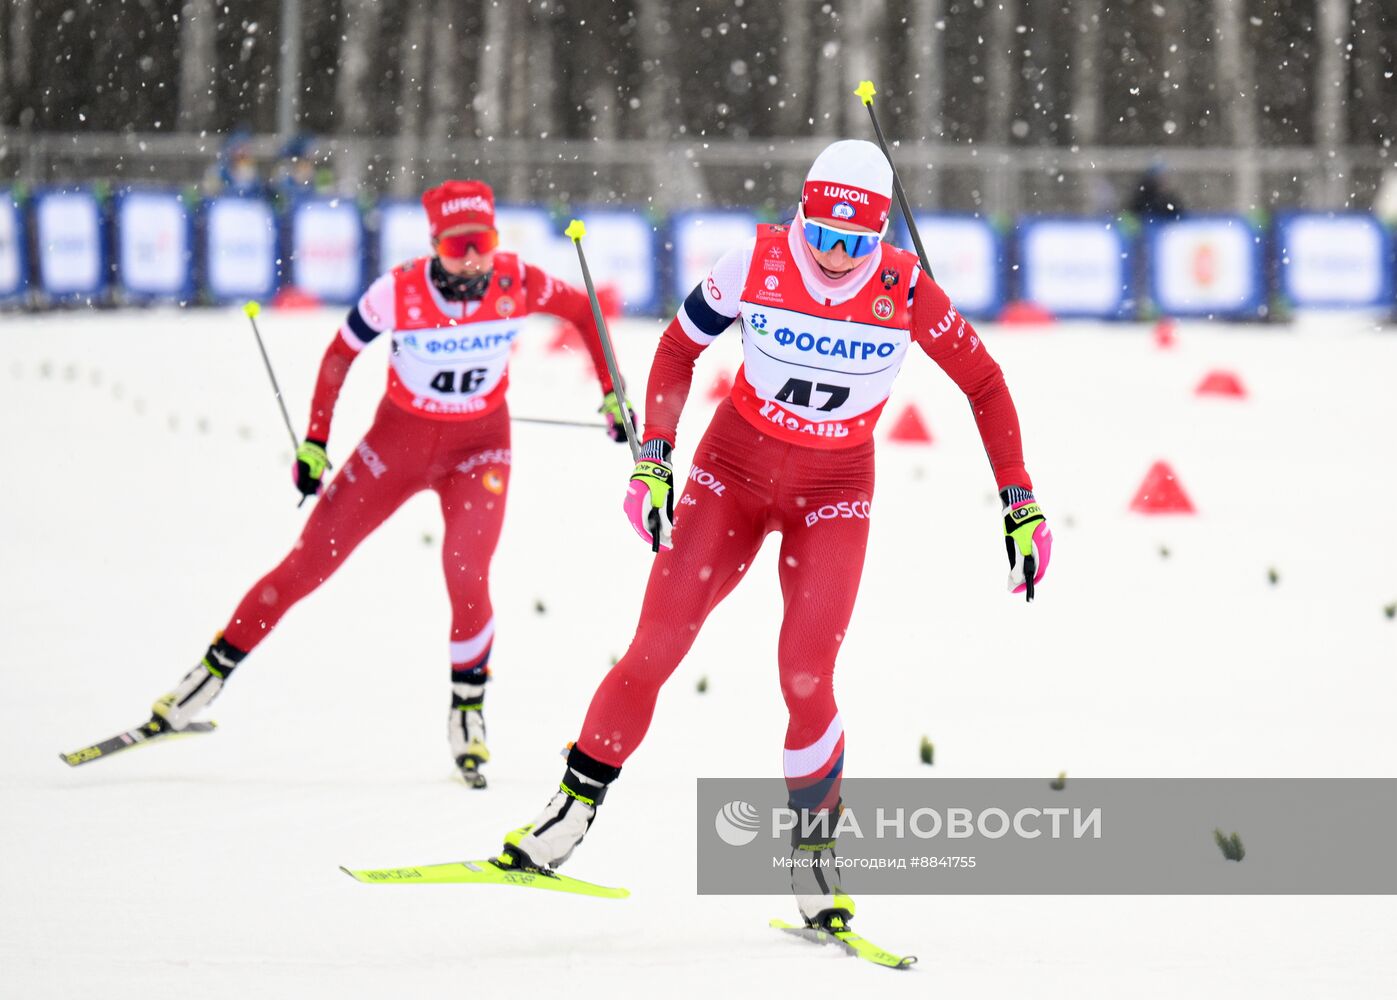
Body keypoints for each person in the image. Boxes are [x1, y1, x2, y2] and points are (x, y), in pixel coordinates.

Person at [493, 141, 1052, 928]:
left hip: (833, 491)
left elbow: (986, 385)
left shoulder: (903, 285)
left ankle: (814, 858)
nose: (832, 257)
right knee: (654, 646)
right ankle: (569, 814)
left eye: (854, 243)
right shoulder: (752, 260)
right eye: (821, 234)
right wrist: (655, 461)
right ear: (801, 216)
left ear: (881, 235)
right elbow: (677, 347)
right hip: (732, 475)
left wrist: (1018, 501)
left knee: (805, 675)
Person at [149, 179, 633, 786]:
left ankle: (467, 711)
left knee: (466, 570)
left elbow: (585, 311)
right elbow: (338, 354)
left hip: (479, 453)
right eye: (459, 248)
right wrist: (316, 441)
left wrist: (613, 395)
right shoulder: (398, 292)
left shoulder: (517, 281)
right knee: (308, 564)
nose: (474, 258)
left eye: (482, 242)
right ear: (435, 246)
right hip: (394, 448)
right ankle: (207, 677)